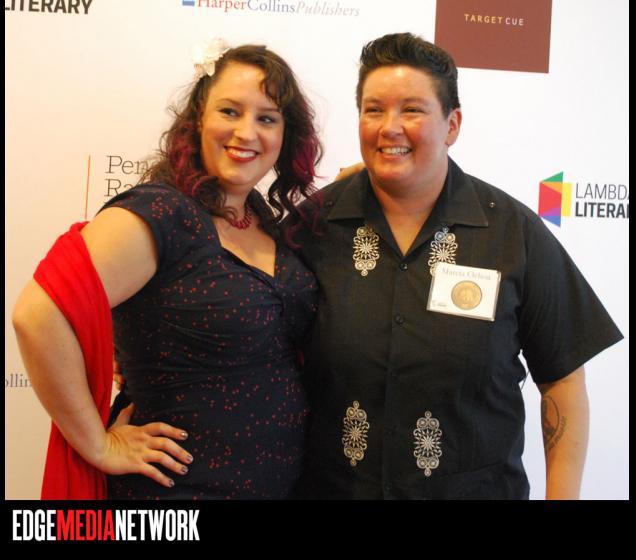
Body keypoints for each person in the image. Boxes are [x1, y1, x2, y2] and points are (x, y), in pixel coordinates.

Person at [287, 32, 623, 499]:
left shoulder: (512, 232)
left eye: (412, 110)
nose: (389, 127)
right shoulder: (310, 229)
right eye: (374, 109)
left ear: (452, 124)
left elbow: (563, 378)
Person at [12, 38, 321, 500]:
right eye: (230, 111)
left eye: (267, 118)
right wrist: (97, 445)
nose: (246, 132)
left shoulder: (263, 219)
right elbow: (37, 315)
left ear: (285, 134)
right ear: (198, 119)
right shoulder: (161, 212)